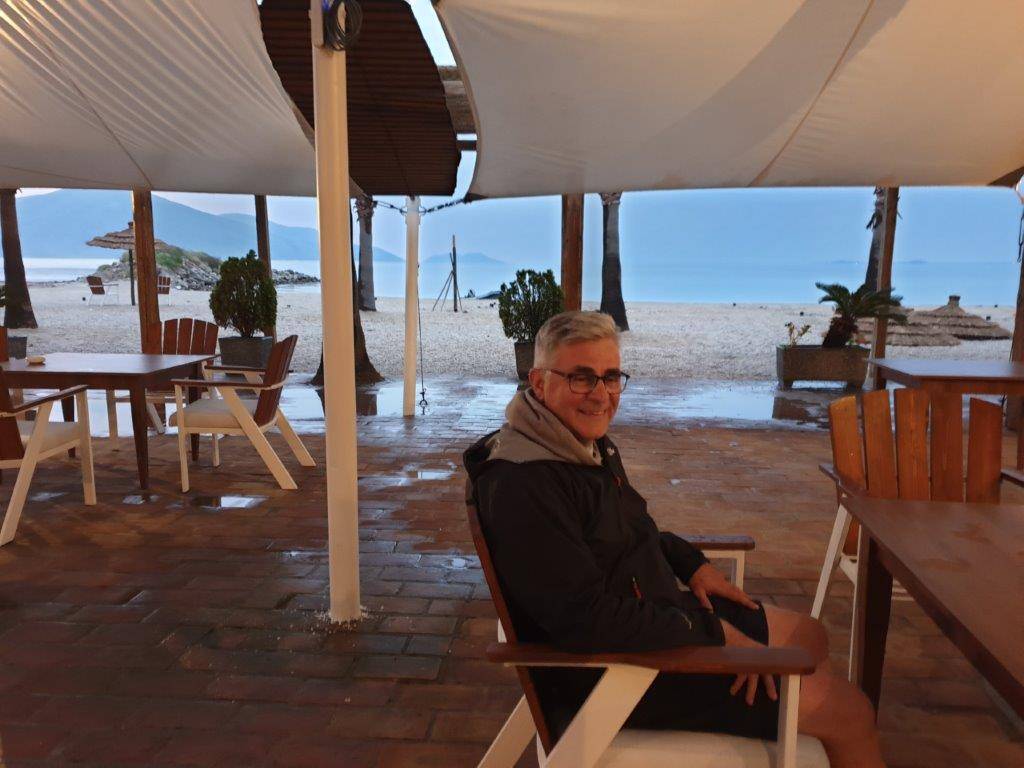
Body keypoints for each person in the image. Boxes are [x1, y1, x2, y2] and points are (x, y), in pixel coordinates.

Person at [464, 311, 885, 768]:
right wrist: (716, 634)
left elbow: (630, 529)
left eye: (611, 377)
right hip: (618, 674)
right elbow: (584, 619)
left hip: (655, 621)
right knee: (851, 713)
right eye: (581, 378)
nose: (601, 395)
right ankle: (813, 725)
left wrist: (690, 563)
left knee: (809, 635)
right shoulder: (525, 483)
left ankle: (804, 729)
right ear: (539, 382)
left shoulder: (575, 445)